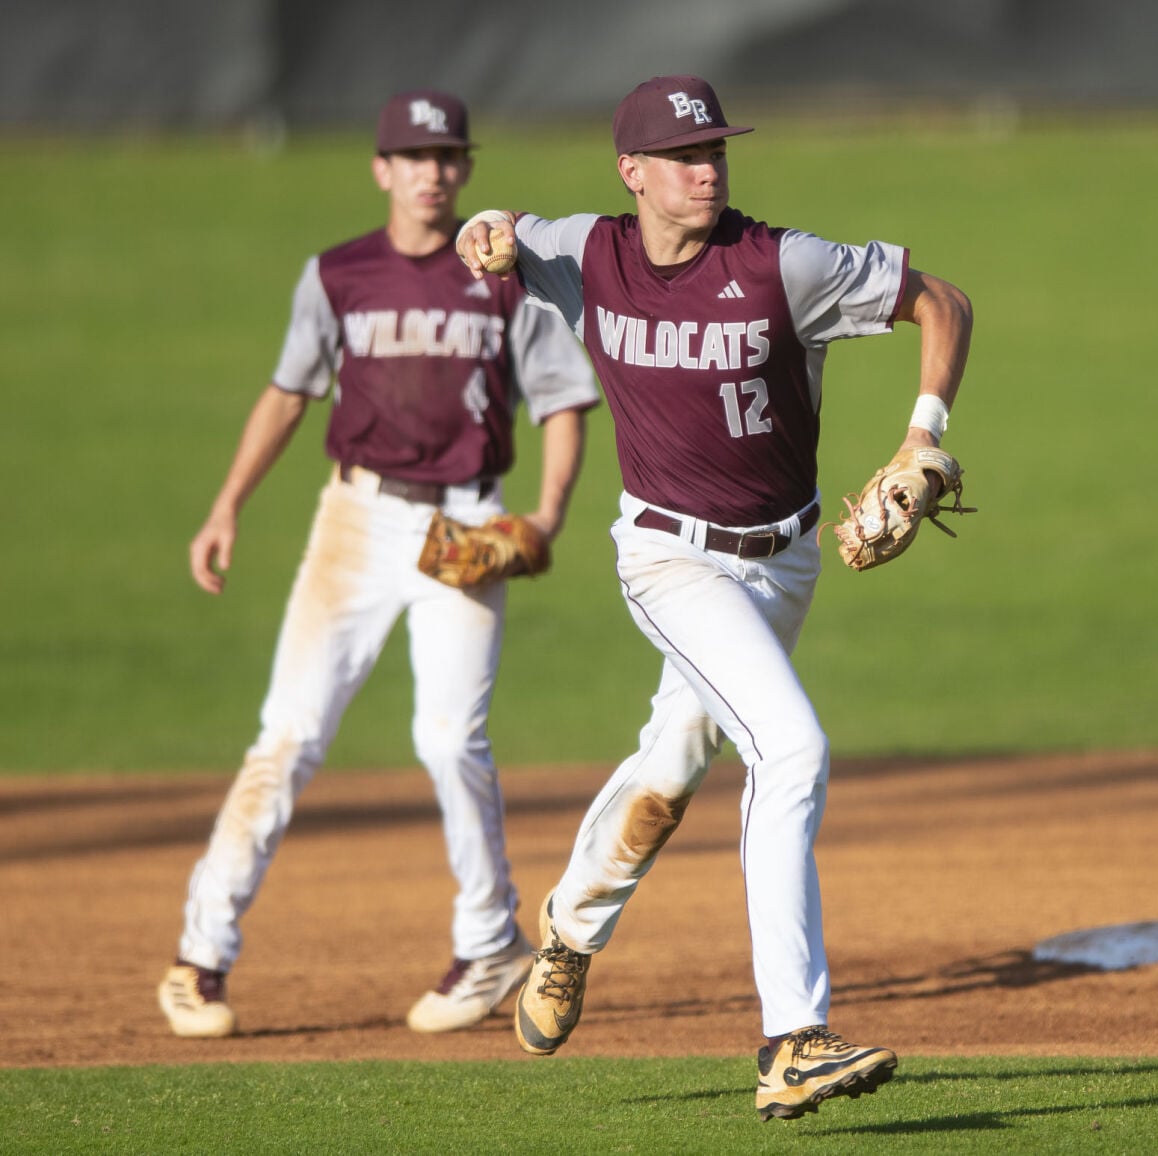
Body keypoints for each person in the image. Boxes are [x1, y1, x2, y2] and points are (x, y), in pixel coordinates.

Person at [454, 74, 973, 1121]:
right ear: (632, 173)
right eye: (685, 155)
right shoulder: (584, 253)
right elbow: (504, 230)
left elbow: (942, 300)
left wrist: (924, 431)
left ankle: (567, 930)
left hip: (783, 560)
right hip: (666, 559)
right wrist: (484, 229)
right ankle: (792, 1039)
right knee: (791, 749)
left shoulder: (784, 263)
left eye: (718, 152)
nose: (708, 169)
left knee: (674, 759)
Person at [158, 90, 603, 1039]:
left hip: (465, 525)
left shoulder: (505, 277)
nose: (432, 171)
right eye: (414, 155)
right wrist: (226, 505)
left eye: (448, 155)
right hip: (354, 521)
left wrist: (548, 515)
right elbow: (287, 395)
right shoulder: (339, 275)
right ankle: (200, 958)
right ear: (382, 169)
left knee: (450, 740)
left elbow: (563, 402)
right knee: (289, 734)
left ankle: (490, 948)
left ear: (466, 169)